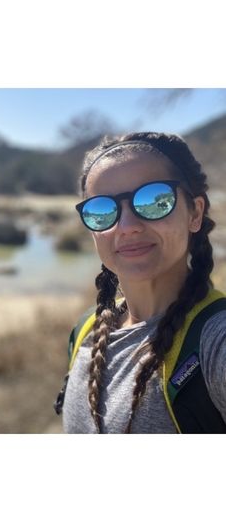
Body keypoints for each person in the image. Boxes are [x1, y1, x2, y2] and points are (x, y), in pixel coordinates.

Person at [56, 132, 226, 433]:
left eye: (154, 200)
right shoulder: (86, 331)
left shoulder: (213, 342)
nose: (127, 226)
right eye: (102, 210)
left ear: (195, 213)